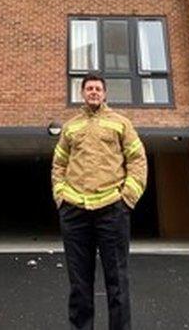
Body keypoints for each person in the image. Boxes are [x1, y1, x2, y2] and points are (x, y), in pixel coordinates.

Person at [51, 74, 147, 330]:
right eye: (89, 88)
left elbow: (137, 159)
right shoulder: (70, 127)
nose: (93, 92)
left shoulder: (121, 123)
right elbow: (59, 163)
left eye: (98, 89)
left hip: (112, 209)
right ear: (82, 93)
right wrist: (60, 195)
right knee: (79, 283)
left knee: (117, 282)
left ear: (105, 94)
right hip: (74, 210)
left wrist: (128, 198)